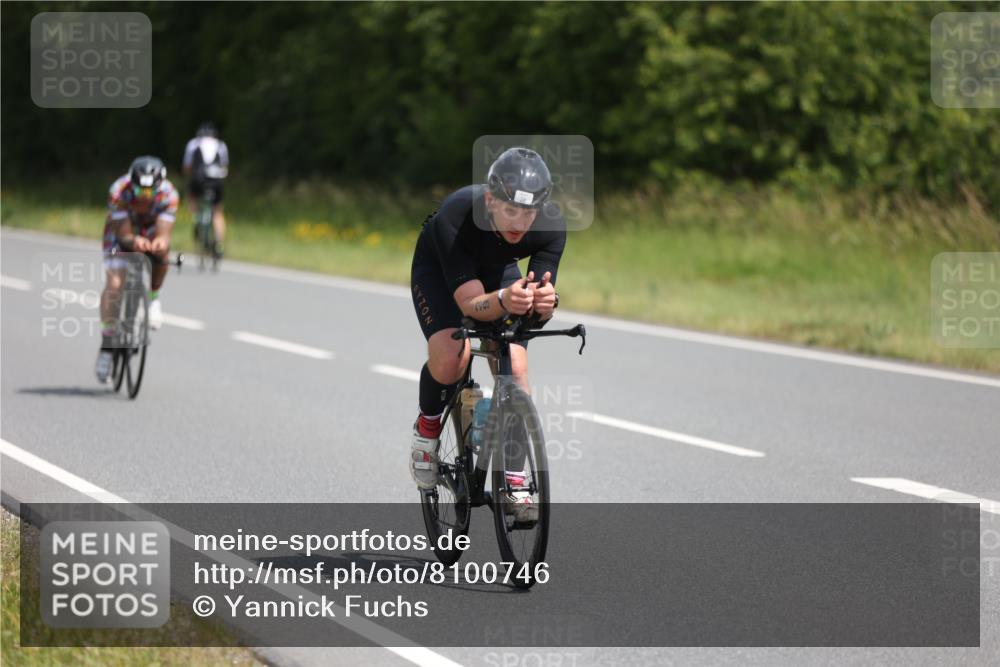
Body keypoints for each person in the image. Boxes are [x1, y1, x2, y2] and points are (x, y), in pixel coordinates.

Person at [408, 147, 566, 520]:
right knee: (452, 353)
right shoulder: (459, 214)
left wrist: (544, 304)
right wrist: (506, 299)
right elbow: (470, 306)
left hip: (497, 272)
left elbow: (533, 311)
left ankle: (514, 479)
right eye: (510, 210)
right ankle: (426, 431)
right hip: (442, 268)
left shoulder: (550, 226)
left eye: (528, 213)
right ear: (491, 200)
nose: (519, 221)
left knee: (516, 363)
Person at [95, 156, 179, 383]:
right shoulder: (119, 190)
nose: (143, 196)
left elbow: (163, 232)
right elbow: (123, 234)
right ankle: (107, 345)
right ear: (131, 183)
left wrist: (159, 243)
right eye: (139, 190)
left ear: (159, 187)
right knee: (114, 284)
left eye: (149, 193)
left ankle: (153, 298)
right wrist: (133, 242)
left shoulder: (169, 194)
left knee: (163, 253)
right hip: (120, 231)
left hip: (150, 227)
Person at [182, 122, 229, 257]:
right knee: (218, 212)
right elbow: (225, 167)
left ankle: (197, 220)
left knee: (192, 198)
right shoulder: (221, 145)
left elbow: (187, 167)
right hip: (216, 181)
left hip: (198, 179)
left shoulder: (193, 144)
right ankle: (219, 244)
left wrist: (188, 177)